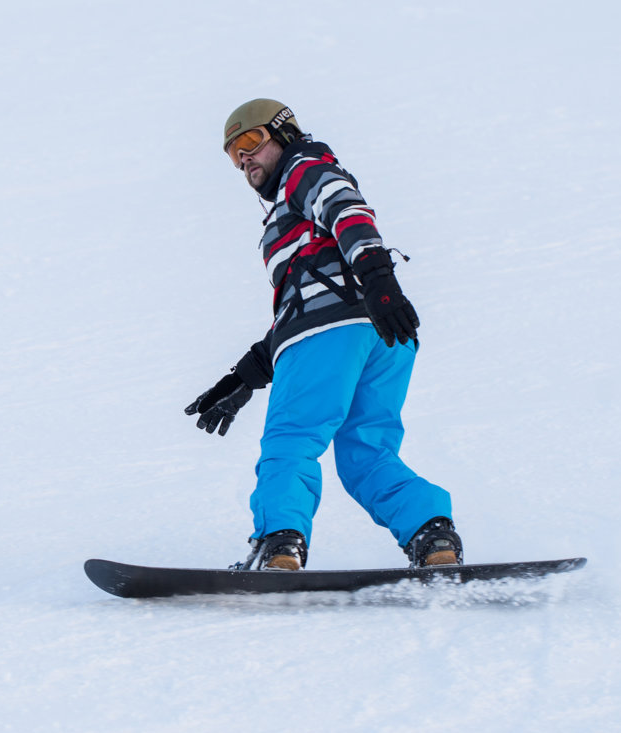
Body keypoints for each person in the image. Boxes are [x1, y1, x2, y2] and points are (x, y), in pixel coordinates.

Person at [185, 98, 462, 571]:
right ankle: (431, 535)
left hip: (337, 330)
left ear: (284, 133)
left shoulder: (304, 169)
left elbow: (346, 211)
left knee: (291, 439)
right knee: (366, 455)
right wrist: (245, 376)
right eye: (234, 153)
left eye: (251, 141)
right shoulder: (294, 200)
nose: (245, 158)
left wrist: (378, 277)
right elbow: (303, 303)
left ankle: (279, 545)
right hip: (380, 332)